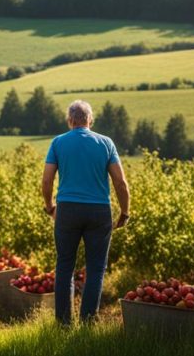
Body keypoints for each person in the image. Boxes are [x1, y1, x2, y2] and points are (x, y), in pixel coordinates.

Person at [42, 100, 131, 326]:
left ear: (70, 120)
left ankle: (63, 323)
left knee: (64, 266)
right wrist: (124, 212)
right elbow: (120, 183)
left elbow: (47, 179)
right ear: (90, 120)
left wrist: (50, 206)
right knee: (96, 268)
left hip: (67, 210)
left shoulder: (58, 142)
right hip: (99, 211)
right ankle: (88, 321)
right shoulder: (106, 143)